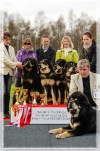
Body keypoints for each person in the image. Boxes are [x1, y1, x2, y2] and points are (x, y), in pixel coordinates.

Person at [0, 32, 24, 118]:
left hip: (10, 73)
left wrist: (22, 64)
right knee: (4, 92)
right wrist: (16, 65)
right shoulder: (0, 47)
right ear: (3, 39)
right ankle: (2, 112)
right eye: (6, 39)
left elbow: (14, 59)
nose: (8, 41)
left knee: (8, 93)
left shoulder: (12, 48)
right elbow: (4, 60)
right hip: (2, 72)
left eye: (9, 39)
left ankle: (7, 112)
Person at [13, 38, 37, 104]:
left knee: (30, 91)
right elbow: (16, 61)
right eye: (25, 43)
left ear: (30, 45)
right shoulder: (19, 52)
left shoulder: (34, 53)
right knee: (16, 92)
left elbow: (35, 64)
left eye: (28, 43)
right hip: (19, 74)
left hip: (30, 76)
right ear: (23, 44)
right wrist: (21, 65)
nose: (27, 45)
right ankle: (13, 107)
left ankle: (29, 104)